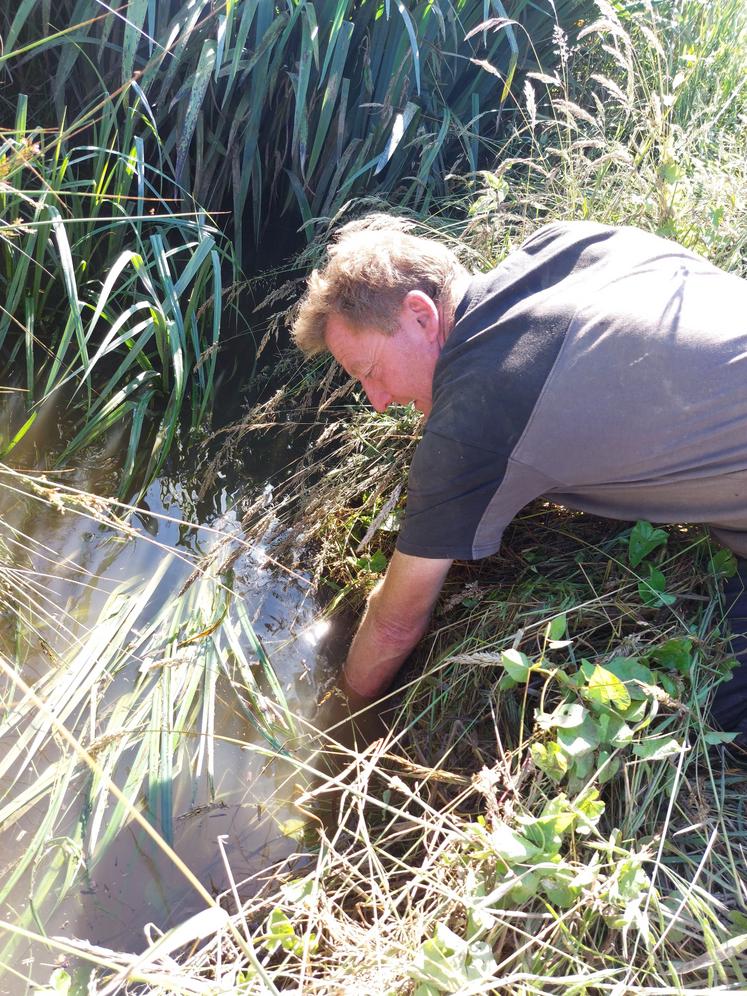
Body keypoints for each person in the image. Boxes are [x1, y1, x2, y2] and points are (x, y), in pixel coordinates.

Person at [291, 214, 747, 745]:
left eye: (369, 371)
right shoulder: (567, 240)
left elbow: (394, 625)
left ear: (419, 314)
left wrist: (340, 720)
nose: (379, 401)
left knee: (719, 716)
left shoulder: (475, 417)